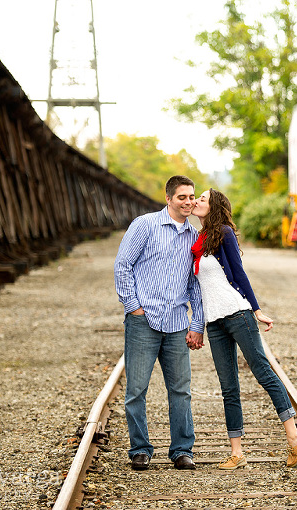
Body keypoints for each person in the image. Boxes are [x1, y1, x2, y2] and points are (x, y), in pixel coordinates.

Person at [189, 188, 297, 470]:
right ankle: (237, 453)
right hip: (215, 322)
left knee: (263, 371)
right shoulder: (198, 239)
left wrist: (257, 309)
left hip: (238, 313)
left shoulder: (224, 234)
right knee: (228, 387)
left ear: (214, 205)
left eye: (202, 199)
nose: (196, 202)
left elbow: (239, 273)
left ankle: (293, 436)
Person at [114, 175, 204, 471]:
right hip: (144, 322)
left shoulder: (194, 237)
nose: (189, 202)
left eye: (191, 197)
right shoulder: (145, 225)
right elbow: (123, 265)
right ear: (168, 199)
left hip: (178, 322)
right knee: (136, 390)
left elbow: (195, 284)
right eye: (182, 197)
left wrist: (197, 323)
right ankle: (140, 449)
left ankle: (181, 450)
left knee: (181, 390)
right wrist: (134, 307)